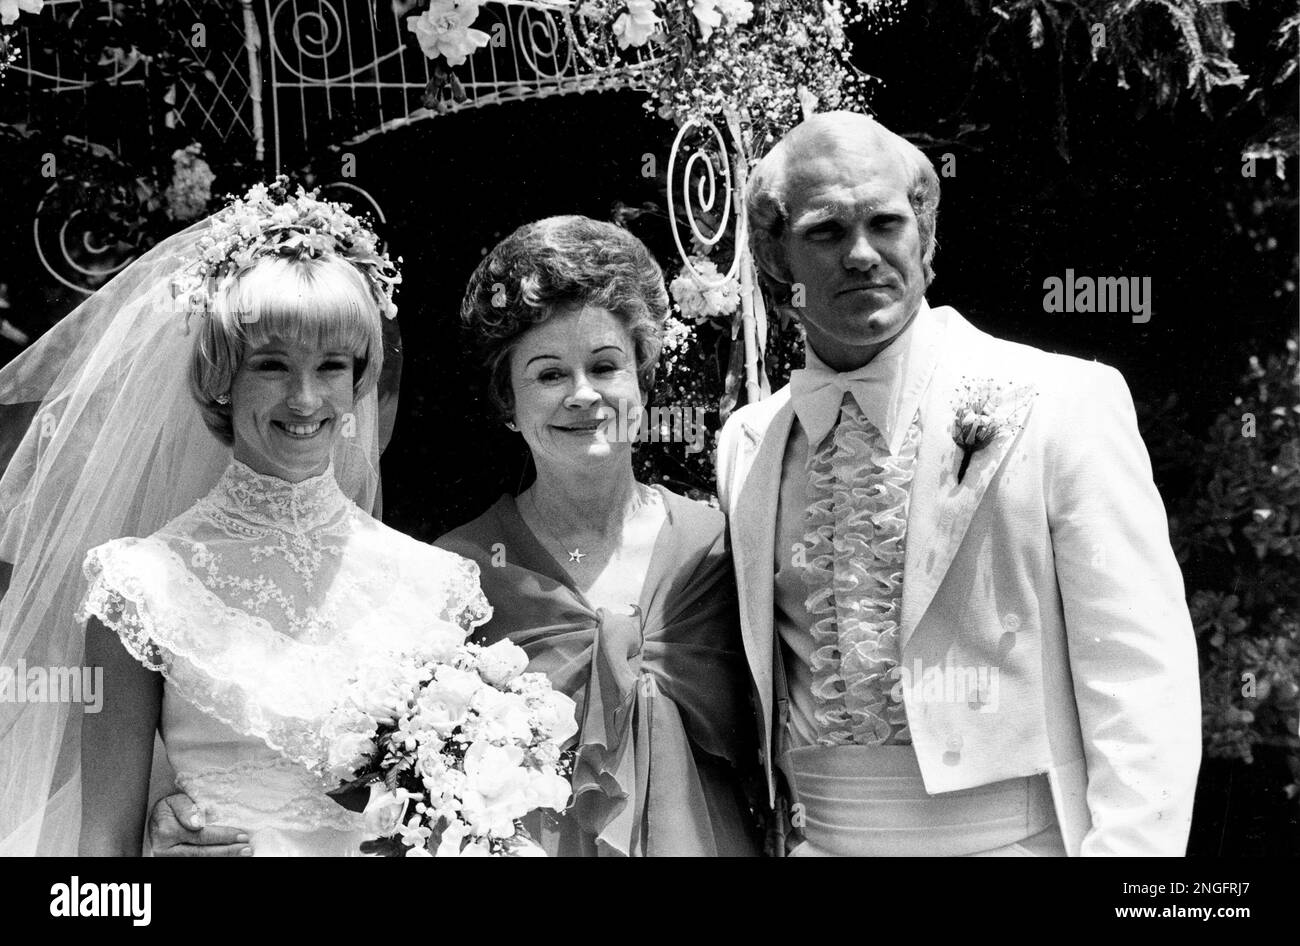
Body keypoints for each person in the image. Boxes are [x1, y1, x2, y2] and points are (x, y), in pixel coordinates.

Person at [715, 111, 1201, 856]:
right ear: (777, 261)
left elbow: (1139, 674)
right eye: (824, 231)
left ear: (925, 238)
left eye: (886, 223)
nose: (862, 255)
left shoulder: (1061, 402)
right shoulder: (747, 444)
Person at [0, 180, 489, 856]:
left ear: (357, 382)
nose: (306, 397)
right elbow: (97, 863)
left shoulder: (438, 587)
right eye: (272, 364)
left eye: (331, 365)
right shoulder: (139, 587)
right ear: (222, 376)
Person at [436, 215, 761, 856]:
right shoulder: (458, 570)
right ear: (509, 404)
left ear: (641, 379)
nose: (584, 395)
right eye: (550, 375)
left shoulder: (718, 546)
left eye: (606, 366)